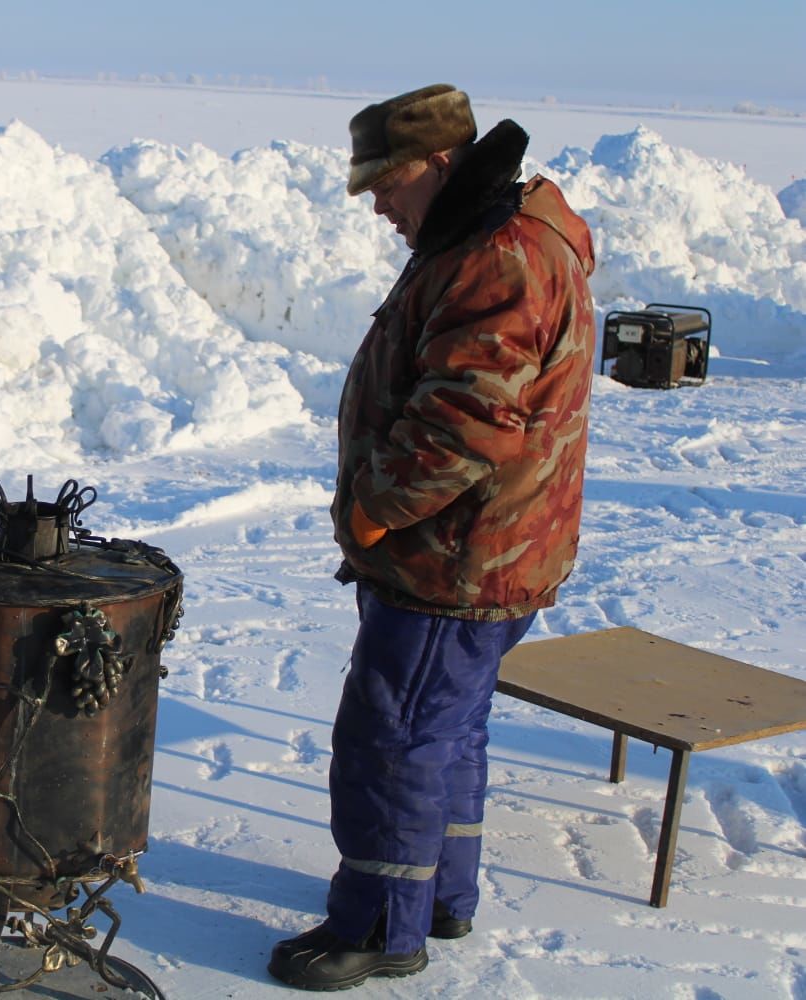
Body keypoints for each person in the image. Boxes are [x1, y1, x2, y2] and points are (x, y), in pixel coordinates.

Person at [268, 85, 596, 990]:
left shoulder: (500, 256)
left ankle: (376, 927)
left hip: (456, 556)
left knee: (394, 736)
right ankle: (438, 896)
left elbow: (464, 421)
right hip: (487, 551)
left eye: (386, 181)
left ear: (440, 164)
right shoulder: (479, 232)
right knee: (446, 730)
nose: (375, 202)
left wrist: (376, 503)